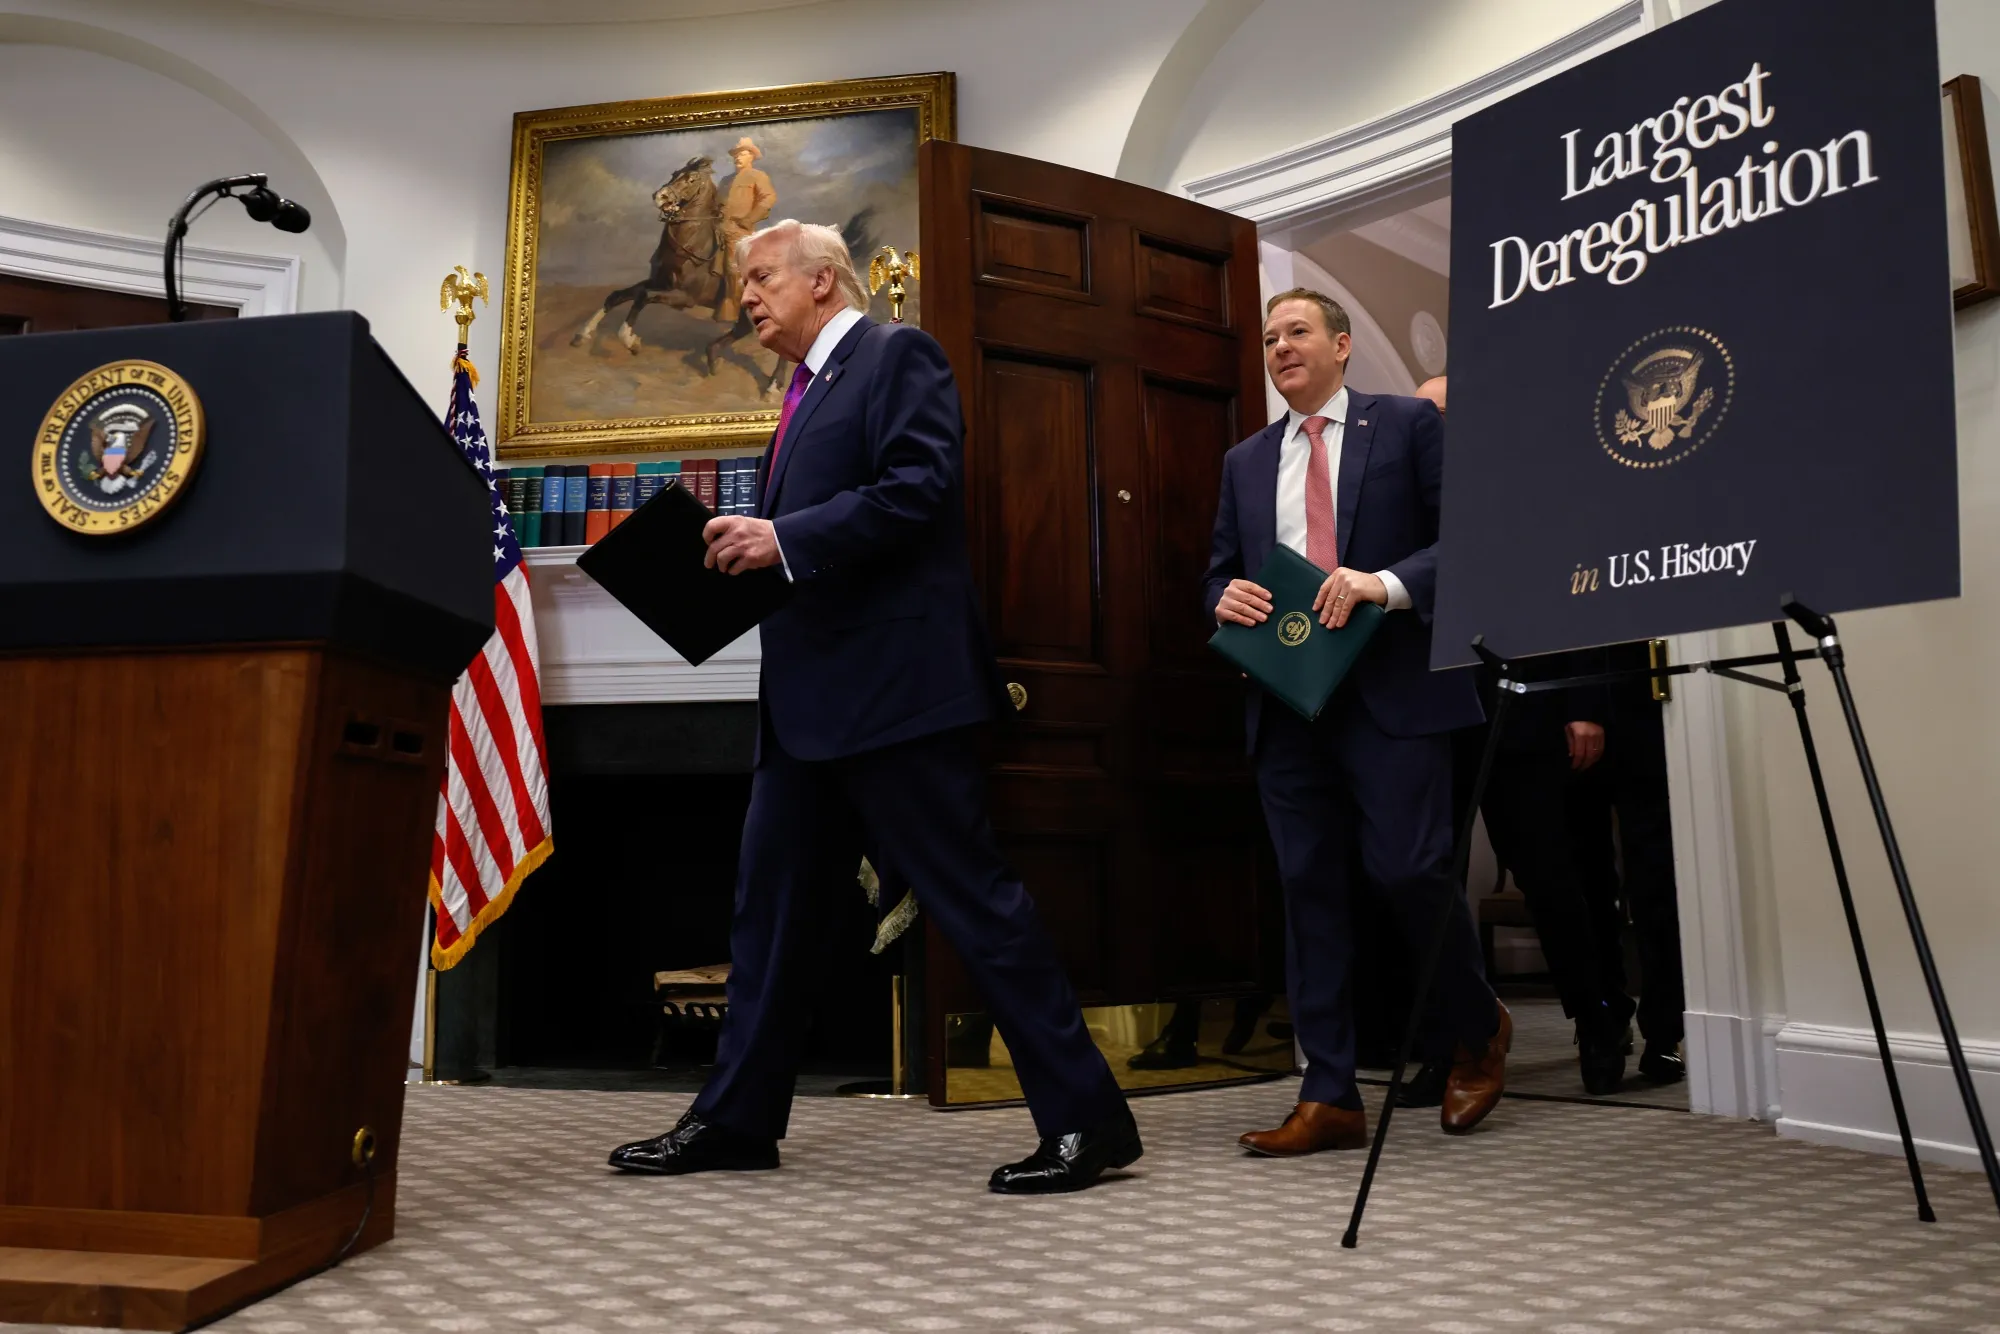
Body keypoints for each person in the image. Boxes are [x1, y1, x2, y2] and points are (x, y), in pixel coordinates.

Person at [606, 220, 1140, 1194]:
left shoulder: (897, 354)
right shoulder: (801, 390)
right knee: (767, 915)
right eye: (742, 281)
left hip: (897, 695)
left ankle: (1086, 1119)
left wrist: (780, 539)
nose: (745, 296)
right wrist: (743, 555)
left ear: (822, 279)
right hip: (805, 701)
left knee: (975, 904)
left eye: (761, 277)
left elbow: (919, 488)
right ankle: (735, 1119)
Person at [1203, 288, 1508, 1156]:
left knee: (1409, 871)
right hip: (1289, 702)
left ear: (1341, 345)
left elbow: (1471, 538)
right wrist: (1223, 598)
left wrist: (1386, 584)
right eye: (1270, 337)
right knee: (1309, 892)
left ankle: (1477, 1025)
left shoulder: (1407, 426)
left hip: (1393, 693)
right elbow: (1218, 572)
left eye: (1297, 331)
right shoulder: (1244, 461)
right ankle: (1329, 1094)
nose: (1280, 347)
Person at [1569, 640, 1687, 1083]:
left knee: (1655, 880)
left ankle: (1664, 1032)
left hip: (1649, 698)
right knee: (1587, 882)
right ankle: (1604, 1018)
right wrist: (1584, 705)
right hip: (1566, 705)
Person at [715, 136, 776, 322]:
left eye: (742, 153)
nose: (737, 157)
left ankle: (733, 311)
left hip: (739, 231)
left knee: (733, 268)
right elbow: (716, 203)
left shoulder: (758, 176)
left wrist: (749, 220)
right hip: (718, 228)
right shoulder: (725, 180)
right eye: (735, 154)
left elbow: (768, 198)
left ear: (752, 156)